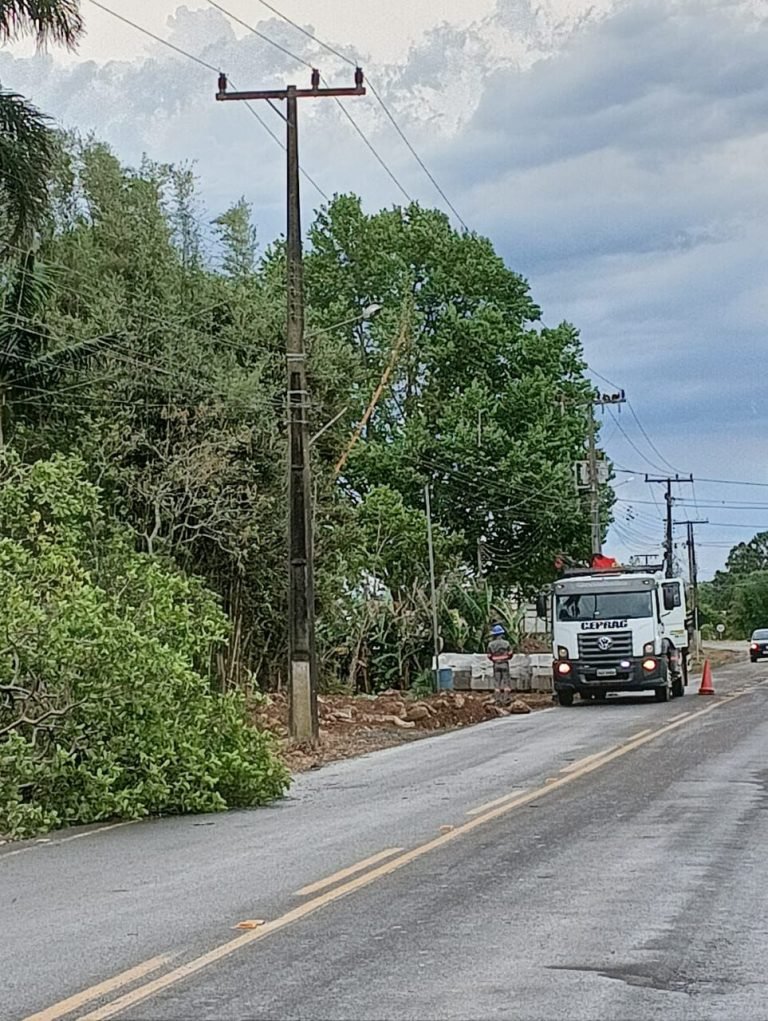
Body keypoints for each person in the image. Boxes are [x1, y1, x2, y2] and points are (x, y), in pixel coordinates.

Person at [487, 624, 513, 704]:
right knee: (506, 681)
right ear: (501, 634)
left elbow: (489, 655)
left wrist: (494, 660)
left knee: (497, 682)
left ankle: (497, 700)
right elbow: (510, 653)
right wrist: (507, 658)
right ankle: (506, 699)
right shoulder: (506, 643)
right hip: (505, 664)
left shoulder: (491, 644)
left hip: (496, 664)